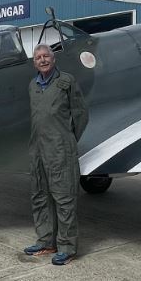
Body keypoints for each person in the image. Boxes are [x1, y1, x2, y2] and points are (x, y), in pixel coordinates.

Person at [23, 43, 88, 266]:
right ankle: (46, 241)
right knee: (40, 196)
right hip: (38, 149)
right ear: (34, 63)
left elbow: (80, 114)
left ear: (53, 59)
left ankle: (67, 247)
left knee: (64, 198)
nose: (42, 60)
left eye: (46, 56)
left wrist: (67, 139)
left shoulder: (66, 81)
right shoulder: (33, 85)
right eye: (38, 57)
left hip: (60, 150)